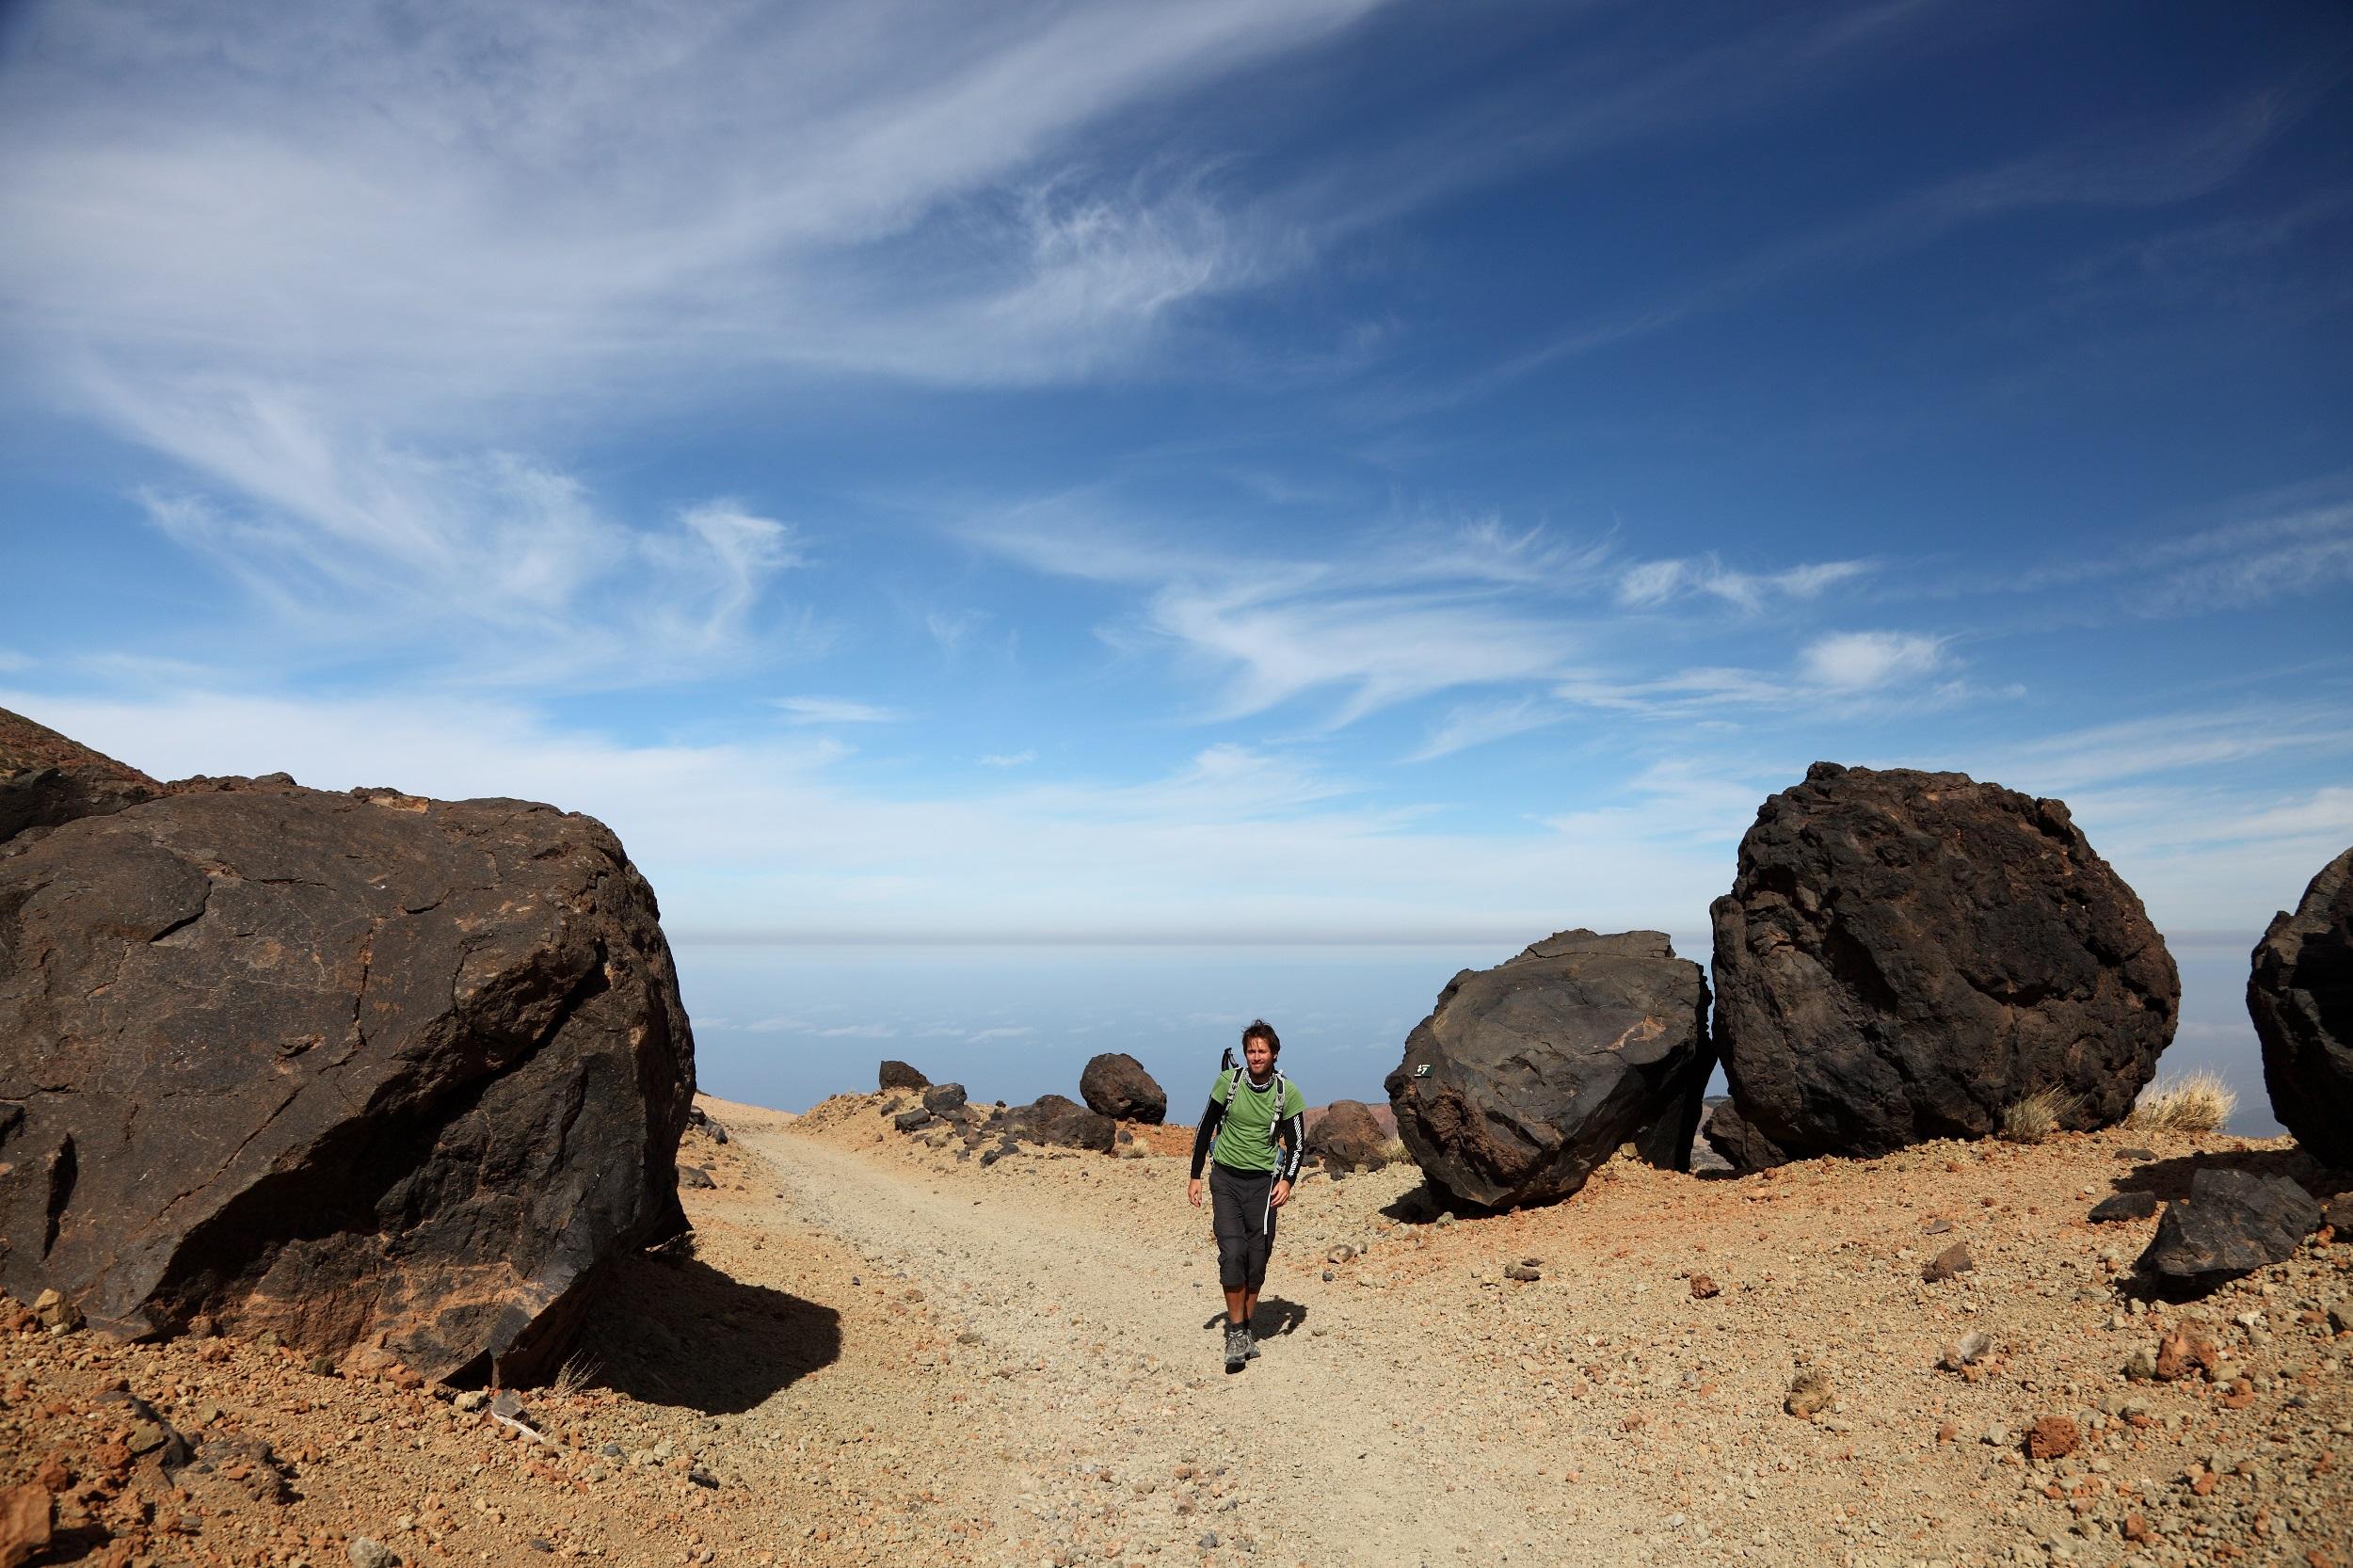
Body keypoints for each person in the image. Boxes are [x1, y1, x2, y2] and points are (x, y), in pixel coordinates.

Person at [1187, 1018, 1305, 1372]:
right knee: (1233, 1251)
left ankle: (1246, 1328)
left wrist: (1287, 1181)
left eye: (1262, 1051)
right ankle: (1237, 1332)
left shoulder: (1287, 1093)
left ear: (1274, 1053)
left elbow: (1298, 1144)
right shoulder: (1229, 1082)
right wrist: (1195, 1175)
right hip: (1225, 1179)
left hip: (1264, 1185)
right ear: (1245, 1053)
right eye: (1251, 1050)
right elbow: (1205, 1127)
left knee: (1258, 1258)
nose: (1256, 1056)